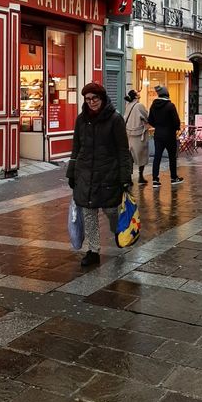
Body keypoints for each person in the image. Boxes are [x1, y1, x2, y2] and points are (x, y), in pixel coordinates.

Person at [67, 82, 132, 268]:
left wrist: (125, 178)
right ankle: (93, 251)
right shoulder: (81, 120)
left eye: (95, 98)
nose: (91, 102)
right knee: (89, 214)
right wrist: (72, 173)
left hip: (108, 174)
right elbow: (76, 148)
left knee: (111, 211)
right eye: (88, 99)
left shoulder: (115, 119)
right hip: (85, 174)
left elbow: (122, 151)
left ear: (102, 98)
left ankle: (119, 230)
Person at [148, 85, 183, 188]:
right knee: (172, 157)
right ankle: (173, 178)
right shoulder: (170, 106)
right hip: (169, 135)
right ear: (167, 94)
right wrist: (176, 128)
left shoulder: (153, 105)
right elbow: (176, 121)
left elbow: (150, 120)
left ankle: (155, 179)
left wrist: (158, 126)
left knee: (157, 157)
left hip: (158, 134)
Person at [124, 90, 149, 185]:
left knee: (130, 156)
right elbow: (146, 116)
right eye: (137, 93)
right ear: (135, 96)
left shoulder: (128, 105)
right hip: (138, 135)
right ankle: (141, 177)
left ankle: (129, 178)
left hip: (128, 134)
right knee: (141, 155)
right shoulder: (139, 106)